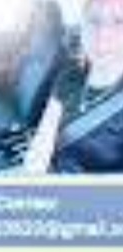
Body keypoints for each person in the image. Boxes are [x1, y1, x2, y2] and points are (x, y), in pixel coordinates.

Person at [24, 0, 123, 173]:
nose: (102, 34)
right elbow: (42, 144)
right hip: (55, 181)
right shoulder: (70, 77)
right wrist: (32, 178)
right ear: (82, 28)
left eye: (119, 22)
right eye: (94, 21)